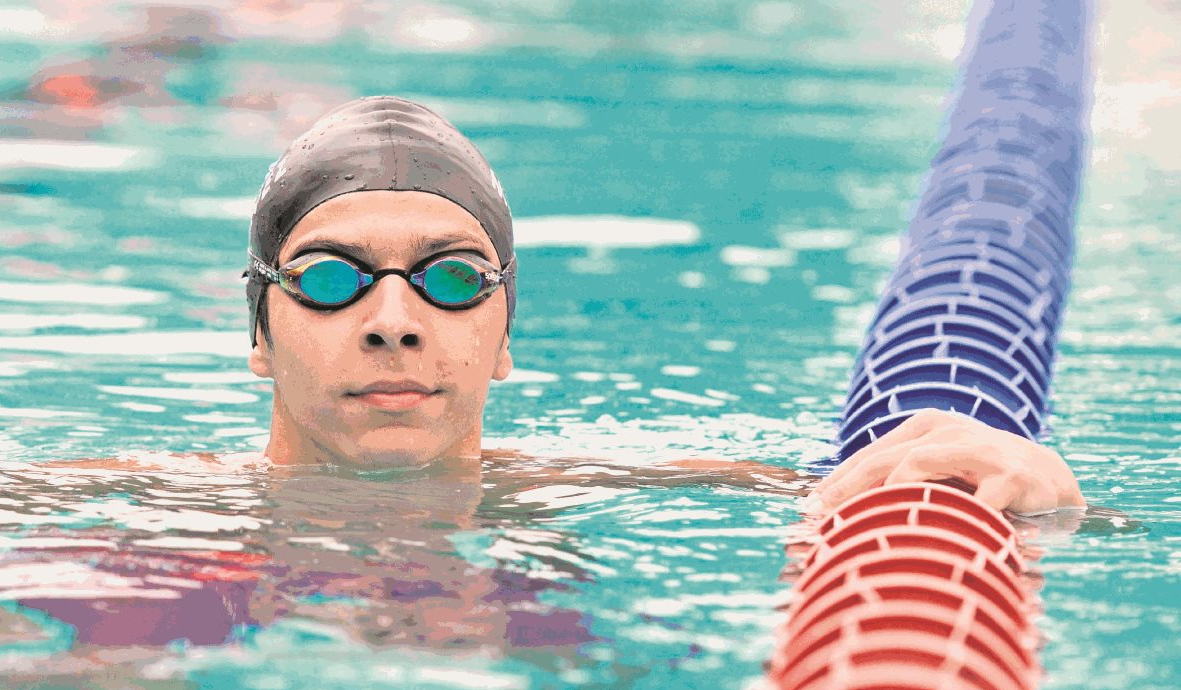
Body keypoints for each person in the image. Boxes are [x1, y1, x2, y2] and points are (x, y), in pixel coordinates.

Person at [241, 95, 1084, 517]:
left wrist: (1043, 495)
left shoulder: (663, 493)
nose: (395, 319)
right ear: (261, 334)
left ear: (505, 335)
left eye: (455, 279)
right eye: (327, 279)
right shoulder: (138, 518)